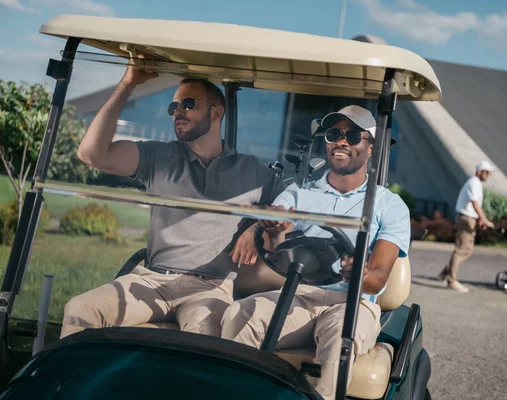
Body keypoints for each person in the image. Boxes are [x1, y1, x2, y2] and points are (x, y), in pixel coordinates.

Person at [60, 60, 285, 338]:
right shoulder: (159, 157)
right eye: (173, 107)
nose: (177, 112)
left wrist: (256, 226)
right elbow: (91, 154)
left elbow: (287, 209)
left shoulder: (253, 170)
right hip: (151, 280)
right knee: (80, 308)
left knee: (202, 341)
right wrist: (128, 83)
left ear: (216, 112)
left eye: (188, 104)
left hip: (210, 288)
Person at [221, 105, 410, 400]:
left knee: (338, 341)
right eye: (334, 133)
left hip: (353, 303)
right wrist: (273, 228)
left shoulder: (389, 204)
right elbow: (277, 232)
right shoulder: (299, 192)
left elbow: (377, 279)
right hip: (298, 294)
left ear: (370, 148)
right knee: (239, 314)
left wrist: (357, 272)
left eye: (353, 135)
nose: (342, 141)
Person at [439, 160, 495, 293]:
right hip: (465, 219)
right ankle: (451, 280)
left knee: (467, 250)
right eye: (487, 172)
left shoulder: (476, 184)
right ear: (479, 172)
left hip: (470, 218)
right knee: (461, 250)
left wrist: (479, 220)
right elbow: (474, 204)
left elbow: (474, 206)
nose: (488, 175)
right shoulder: (474, 183)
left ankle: (446, 273)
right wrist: (484, 220)